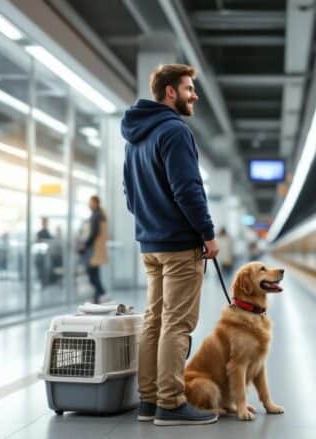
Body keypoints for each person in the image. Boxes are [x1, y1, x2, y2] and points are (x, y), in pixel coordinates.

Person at [122, 63, 219, 426]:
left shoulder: (135, 137)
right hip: (179, 244)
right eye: (190, 89)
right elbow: (188, 190)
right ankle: (171, 402)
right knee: (176, 325)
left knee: (154, 322)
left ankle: (148, 401)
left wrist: (150, 222)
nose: (195, 96)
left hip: (151, 243)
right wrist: (207, 234)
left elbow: (130, 195)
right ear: (170, 92)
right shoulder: (175, 131)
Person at [78, 196, 108, 304]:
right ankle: (97, 297)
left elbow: (94, 233)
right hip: (96, 250)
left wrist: (84, 245)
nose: (89, 205)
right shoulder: (100, 215)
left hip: (93, 251)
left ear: (96, 203)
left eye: (91, 203)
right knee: (95, 274)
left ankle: (101, 293)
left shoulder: (96, 216)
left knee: (92, 275)